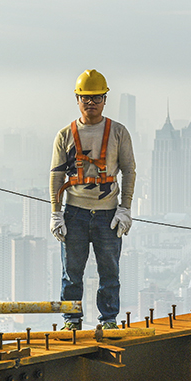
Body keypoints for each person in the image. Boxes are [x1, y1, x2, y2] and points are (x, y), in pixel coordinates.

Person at [49, 69, 136, 330]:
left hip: (108, 214)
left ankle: (108, 320)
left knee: (109, 273)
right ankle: (72, 320)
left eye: (96, 97)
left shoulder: (118, 132)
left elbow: (129, 170)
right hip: (74, 211)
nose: (91, 102)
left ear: (105, 99)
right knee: (71, 273)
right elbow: (56, 175)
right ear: (77, 99)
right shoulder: (65, 135)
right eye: (86, 97)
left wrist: (125, 209)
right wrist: (56, 213)